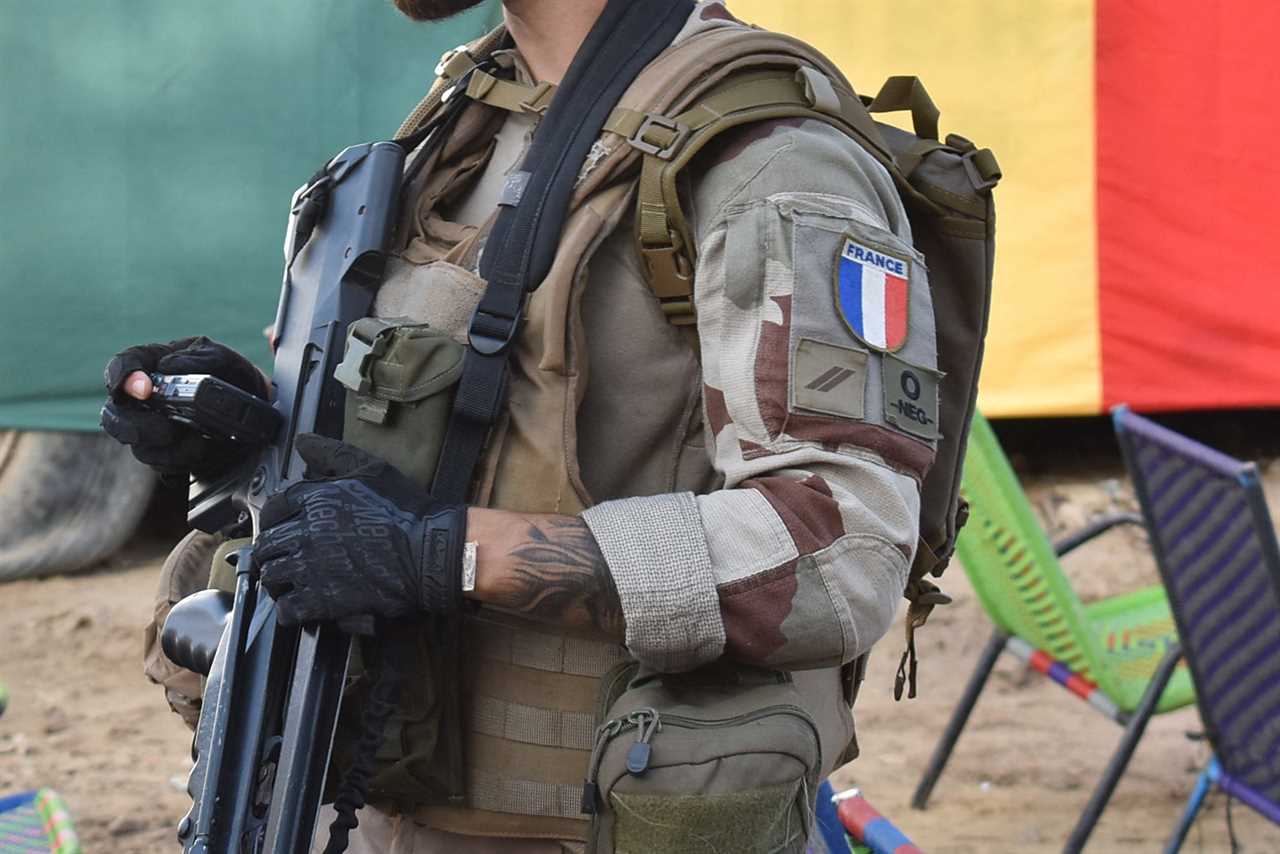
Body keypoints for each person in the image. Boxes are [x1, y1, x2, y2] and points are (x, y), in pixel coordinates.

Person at [103, 0, 940, 851]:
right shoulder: (469, 113)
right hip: (377, 800)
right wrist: (251, 432)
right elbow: (432, 456)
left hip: (604, 821)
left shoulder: (772, 161)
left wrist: (450, 552)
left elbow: (843, 555)